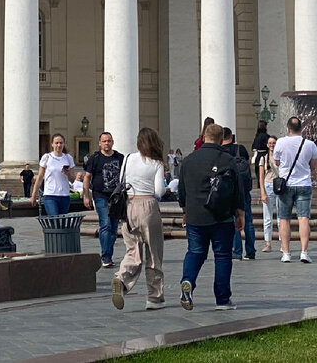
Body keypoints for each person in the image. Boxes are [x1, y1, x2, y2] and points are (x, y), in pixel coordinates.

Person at [177, 123, 244, 311]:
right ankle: (222, 299)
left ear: (204, 136)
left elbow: (181, 191)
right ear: (222, 138)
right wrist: (240, 213)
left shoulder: (188, 160)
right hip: (222, 216)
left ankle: (188, 281)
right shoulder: (228, 159)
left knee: (195, 252)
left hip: (195, 216)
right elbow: (237, 189)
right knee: (222, 256)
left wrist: (185, 212)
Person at [111, 127, 168, 311]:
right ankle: (154, 297)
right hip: (148, 206)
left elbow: (121, 180)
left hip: (128, 206)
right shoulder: (156, 163)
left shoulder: (127, 158)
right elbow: (159, 191)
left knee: (132, 250)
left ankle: (121, 279)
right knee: (153, 253)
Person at [273, 116, 317, 263]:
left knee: (284, 219)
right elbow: (313, 166)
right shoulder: (310, 144)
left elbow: (276, 162)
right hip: (304, 184)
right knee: (303, 218)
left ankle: (286, 253)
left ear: (288, 129)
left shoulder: (281, 142)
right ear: (301, 128)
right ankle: (304, 252)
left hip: (285, 185)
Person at [81, 131, 124, 268]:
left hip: (116, 197)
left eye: (109, 141)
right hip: (100, 195)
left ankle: (108, 254)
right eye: (104, 141)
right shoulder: (95, 158)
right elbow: (87, 177)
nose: (107, 143)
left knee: (113, 228)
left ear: (112, 142)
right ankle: (105, 256)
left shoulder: (120, 158)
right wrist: (86, 195)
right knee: (105, 224)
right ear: (100, 143)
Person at [221, 128, 255, 260]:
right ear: (231, 136)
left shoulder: (221, 152)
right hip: (244, 190)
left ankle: (237, 251)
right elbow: (247, 164)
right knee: (248, 221)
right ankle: (251, 251)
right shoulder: (240, 149)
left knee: (234, 221)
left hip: (229, 191)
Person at [32, 134, 75, 215]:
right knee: (54, 218)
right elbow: (40, 176)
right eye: (56, 143)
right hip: (50, 195)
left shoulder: (68, 158)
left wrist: (68, 173)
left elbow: (73, 180)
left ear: (64, 144)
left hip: (64, 195)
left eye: (61, 143)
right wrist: (34, 193)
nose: (59, 145)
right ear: (52, 144)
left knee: (62, 221)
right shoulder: (47, 157)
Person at [257, 135, 277, 252]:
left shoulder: (281, 157)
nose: (271, 145)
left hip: (279, 187)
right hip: (268, 185)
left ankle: (282, 242)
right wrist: (262, 192)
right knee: (267, 217)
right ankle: (268, 243)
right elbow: (261, 177)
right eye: (270, 143)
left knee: (281, 217)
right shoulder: (263, 158)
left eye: (274, 143)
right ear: (267, 145)